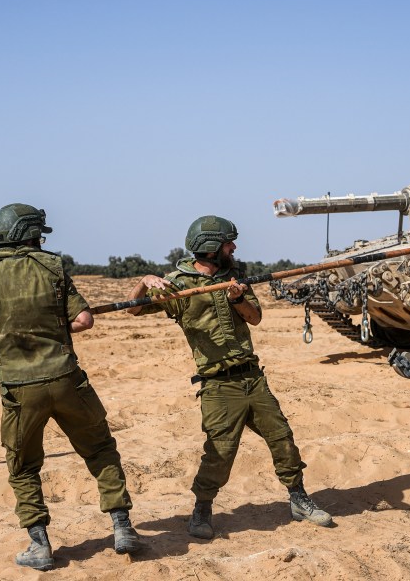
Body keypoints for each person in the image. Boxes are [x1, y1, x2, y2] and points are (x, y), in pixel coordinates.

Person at [0, 203, 141, 570]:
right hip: (67, 379)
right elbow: (83, 321)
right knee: (100, 450)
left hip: (20, 390)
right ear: (29, 234)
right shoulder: (52, 266)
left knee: (22, 468)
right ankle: (122, 527)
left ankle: (40, 546)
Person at [124, 215, 332, 539]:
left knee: (283, 439)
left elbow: (256, 317)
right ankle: (202, 510)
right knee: (220, 452)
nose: (233, 247)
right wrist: (145, 280)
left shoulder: (235, 276)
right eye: (227, 243)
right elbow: (132, 309)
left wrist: (237, 298)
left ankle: (299, 498)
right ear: (210, 249)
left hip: (253, 378)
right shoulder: (177, 285)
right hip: (218, 386)